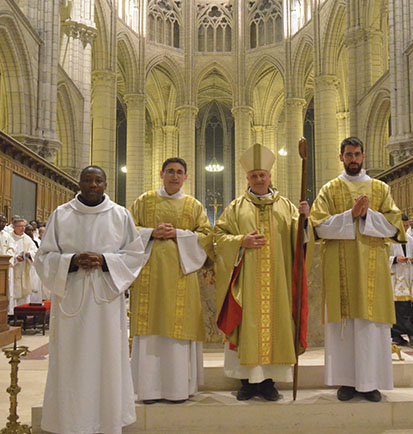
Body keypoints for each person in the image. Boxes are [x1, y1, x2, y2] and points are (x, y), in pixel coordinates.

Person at [35, 166, 145, 434]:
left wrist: (105, 261)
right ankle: (70, 422)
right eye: (88, 180)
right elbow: (44, 257)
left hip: (105, 302)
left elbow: (135, 255)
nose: (93, 185)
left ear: (106, 184)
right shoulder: (61, 214)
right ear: (80, 183)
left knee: (107, 360)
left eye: (98, 180)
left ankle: (107, 422)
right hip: (71, 298)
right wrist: (70, 261)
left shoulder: (120, 215)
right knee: (70, 360)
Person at [310, 136, 405, 403]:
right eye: (349, 154)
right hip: (339, 270)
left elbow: (395, 228)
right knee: (345, 328)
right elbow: (317, 227)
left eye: (357, 154)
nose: (353, 159)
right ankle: (347, 382)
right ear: (341, 157)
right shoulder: (329, 190)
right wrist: (349, 215)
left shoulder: (380, 188)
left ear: (363, 156)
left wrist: (367, 216)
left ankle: (370, 382)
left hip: (372, 269)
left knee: (370, 326)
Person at [215, 143, 310, 402]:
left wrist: (305, 220)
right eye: (254, 175)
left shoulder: (287, 207)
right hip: (246, 284)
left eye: (262, 175)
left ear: (270, 177)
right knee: (247, 328)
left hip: (278, 282)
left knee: (276, 327)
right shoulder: (236, 207)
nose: (259, 179)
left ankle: (268, 382)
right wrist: (240, 242)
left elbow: (300, 240)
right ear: (247, 178)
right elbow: (218, 237)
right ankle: (247, 382)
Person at [128, 157, 213, 404]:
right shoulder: (144, 201)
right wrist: (150, 233)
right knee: (150, 330)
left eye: (179, 172)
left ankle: (178, 389)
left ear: (186, 177)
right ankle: (149, 390)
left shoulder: (193, 205)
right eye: (170, 171)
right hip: (148, 279)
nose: (175, 176)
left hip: (181, 278)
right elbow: (126, 231)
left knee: (177, 332)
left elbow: (206, 236)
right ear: (161, 173)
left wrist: (178, 234)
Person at [390, 215, 413, 347]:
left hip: (408, 275)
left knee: (410, 306)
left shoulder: (409, 239)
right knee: (398, 308)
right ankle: (397, 335)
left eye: (407, 226)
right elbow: (382, 257)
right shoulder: (389, 238)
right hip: (395, 276)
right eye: (403, 226)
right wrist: (395, 259)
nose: (405, 228)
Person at [9, 218, 39, 309]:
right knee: (12, 291)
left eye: (24, 226)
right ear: (14, 227)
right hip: (13, 268)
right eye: (20, 226)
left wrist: (30, 254)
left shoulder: (27, 239)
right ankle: (12, 313)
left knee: (24, 291)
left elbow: (35, 252)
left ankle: (23, 311)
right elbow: (5, 251)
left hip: (24, 268)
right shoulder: (8, 237)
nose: (23, 228)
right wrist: (15, 258)